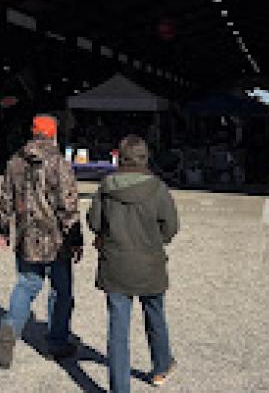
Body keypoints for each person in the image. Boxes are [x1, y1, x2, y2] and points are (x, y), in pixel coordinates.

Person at [86, 134, 179, 391]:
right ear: (145, 157)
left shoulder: (107, 186)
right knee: (155, 315)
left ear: (120, 157)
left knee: (118, 329)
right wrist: (153, 240)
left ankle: (120, 388)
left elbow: (94, 222)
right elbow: (171, 226)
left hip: (116, 263)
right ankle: (161, 368)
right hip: (150, 262)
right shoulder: (158, 188)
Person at [0, 114, 83, 368]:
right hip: (56, 241)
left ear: (33, 133)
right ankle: (57, 342)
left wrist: (3, 229)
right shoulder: (59, 163)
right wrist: (76, 239)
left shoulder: (15, 162)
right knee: (61, 291)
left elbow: (5, 199)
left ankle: (10, 327)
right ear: (53, 134)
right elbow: (68, 205)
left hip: (25, 237)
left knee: (26, 284)